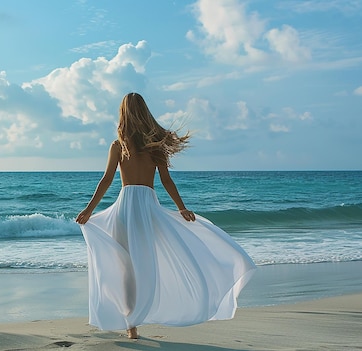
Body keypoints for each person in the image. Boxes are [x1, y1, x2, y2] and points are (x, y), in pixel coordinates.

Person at [76, 92, 256, 340]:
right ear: (145, 113)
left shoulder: (119, 145)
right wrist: (181, 207)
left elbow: (106, 180)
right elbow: (166, 181)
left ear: (123, 114)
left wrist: (89, 210)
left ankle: (132, 324)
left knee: (127, 268)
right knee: (146, 264)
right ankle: (140, 314)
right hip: (148, 208)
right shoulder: (155, 146)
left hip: (126, 209)